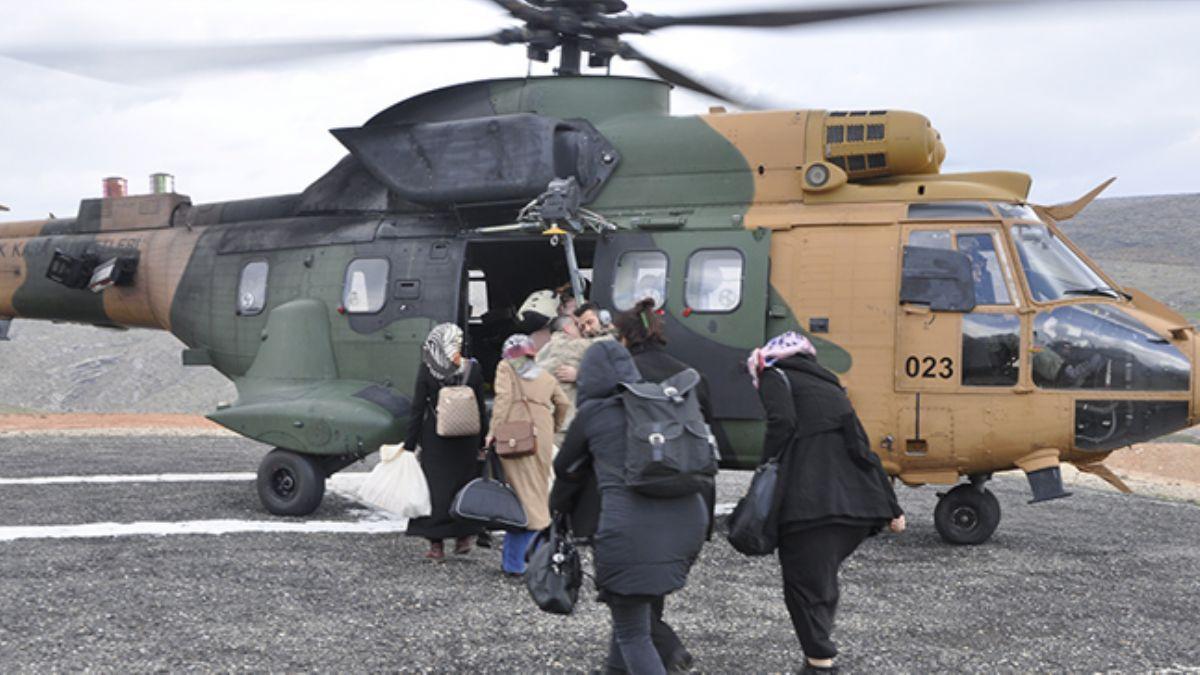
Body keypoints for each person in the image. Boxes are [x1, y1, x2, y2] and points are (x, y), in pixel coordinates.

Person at [748, 331, 906, 673]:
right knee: (821, 584)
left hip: (808, 505)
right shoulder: (831, 386)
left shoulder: (775, 375)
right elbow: (862, 447)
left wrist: (765, 469)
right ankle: (815, 660)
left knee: (804, 588)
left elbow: (781, 422)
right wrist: (893, 507)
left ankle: (822, 663)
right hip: (852, 509)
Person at [554, 341, 707, 674]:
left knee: (633, 632)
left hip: (629, 532)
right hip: (687, 525)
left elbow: (565, 468)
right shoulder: (658, 403)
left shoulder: (594, 412)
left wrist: (558, 509)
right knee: (631, 606)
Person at [486, 334, 573, 576]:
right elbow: (563, 403)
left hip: (516, 434)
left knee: (519, 494)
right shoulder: (544, 374)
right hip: (542, 434)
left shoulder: (506, 368)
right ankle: (537, 556)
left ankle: (516, 563)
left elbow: (503, 400)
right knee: (537, 490)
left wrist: (493, 432)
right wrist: (553, 426)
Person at [404, 323, 487, 561]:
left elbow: (417, 409)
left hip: (437, 439)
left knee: (436, 490)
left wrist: (410, 444)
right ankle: (463, 537)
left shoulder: (429, 368)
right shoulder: (472, 368)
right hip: (466, 438)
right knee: (463, 485)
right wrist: (482, 439)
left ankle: (436, 545)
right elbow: (480, 407)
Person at [536, 315, 591, 444]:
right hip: (567, 422)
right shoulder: (573, 345)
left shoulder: (543, 351)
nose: (582, 330)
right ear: (567, 329)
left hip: (546, 421)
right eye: (577, 326)